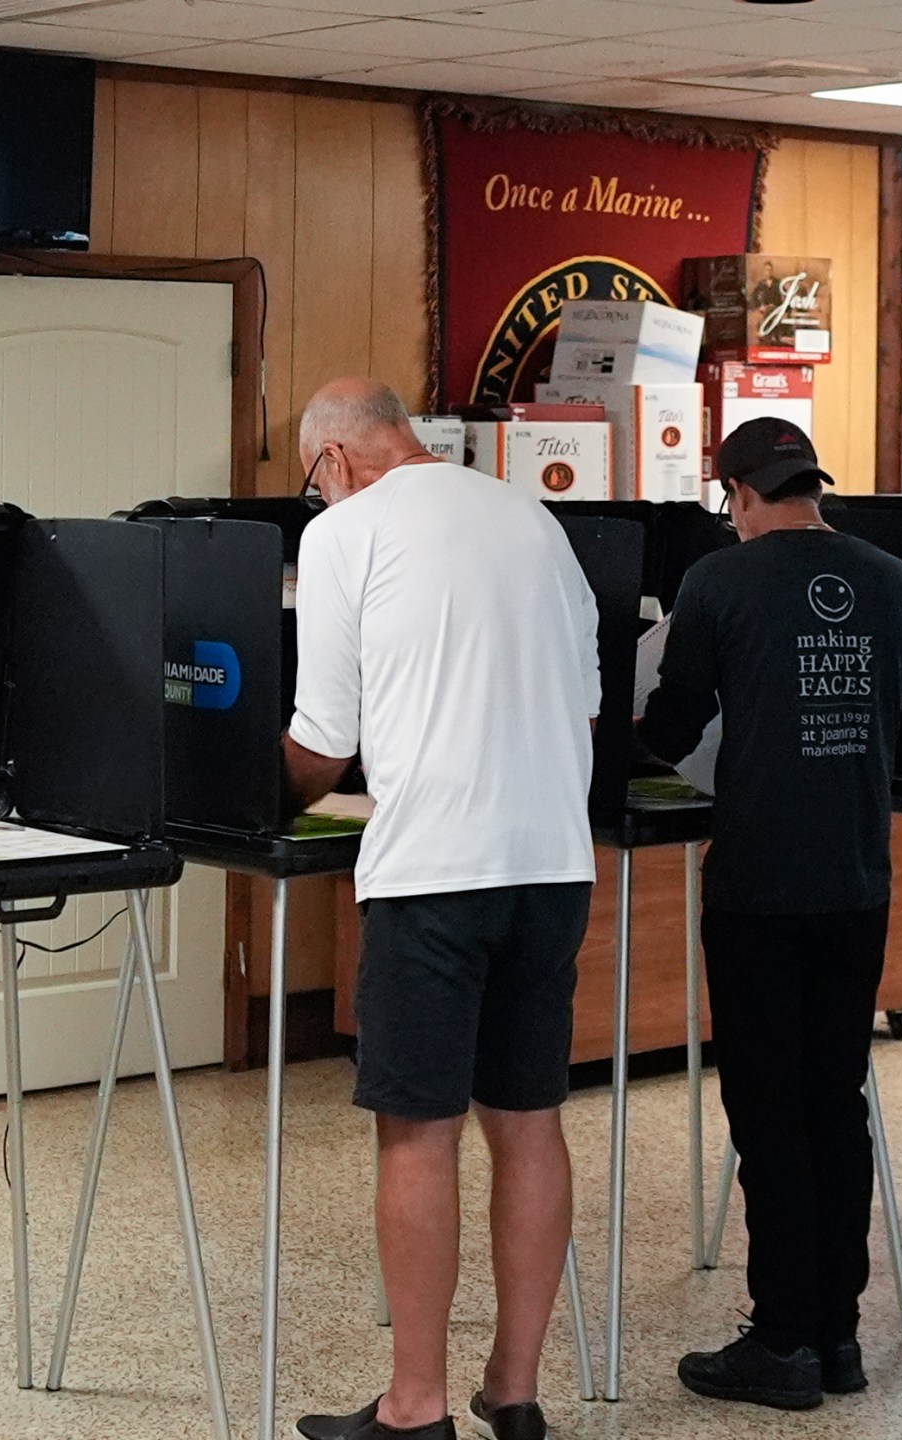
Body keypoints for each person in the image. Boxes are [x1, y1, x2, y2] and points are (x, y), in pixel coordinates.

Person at [285, 379, 601, 1440]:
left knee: (417, 1131)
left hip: (433, 870)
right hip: (553, 861)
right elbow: (589, 699)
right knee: (527, 1120)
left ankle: (413, 1406)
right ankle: (513, 1392)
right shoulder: (532, 515)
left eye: (310, 481)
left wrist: (239, 791)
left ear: (332, 460)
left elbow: (323, 738)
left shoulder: (346, 535)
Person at [637, 417, 902, 1411]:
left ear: (738, 494)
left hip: (759, 883)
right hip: (856, 881)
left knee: (767, 1110)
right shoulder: (892, 579)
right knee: (834, 1101)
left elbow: (674, 724)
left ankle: (781, 1342)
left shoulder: (719, 582)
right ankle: (838, 1336)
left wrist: (606, 747)